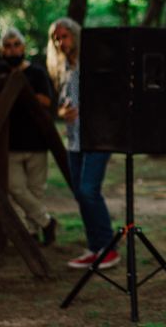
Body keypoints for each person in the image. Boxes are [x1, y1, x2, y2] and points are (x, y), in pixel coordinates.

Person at [0, 27, 57, 245]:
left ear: (23, 47)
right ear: (1, 50)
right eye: (7, 46)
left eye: (16, 44)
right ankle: (47, 222)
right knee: (15, 188)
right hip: (9, 143)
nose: (12, 49)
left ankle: (33, 233)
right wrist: (4, 79)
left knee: (35, 191)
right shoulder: (0, 70)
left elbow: (46, 101)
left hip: (36, 141)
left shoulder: (36, 73)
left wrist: (18, 91)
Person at [46, 17, 120, 270]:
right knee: (80, 193)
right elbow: (63, 103)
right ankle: (95, 247)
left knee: (89, 190)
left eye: (64, 36)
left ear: (76, 35)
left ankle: (109, 249)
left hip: (98, 137)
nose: (60, 41)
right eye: (56, 38)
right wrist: (62, 113)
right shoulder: (62, 65)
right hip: (74, 139)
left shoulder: (94, 63)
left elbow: (111, 99)